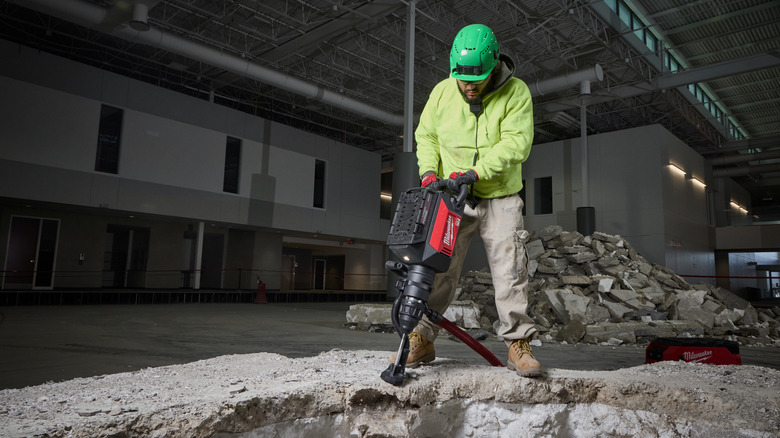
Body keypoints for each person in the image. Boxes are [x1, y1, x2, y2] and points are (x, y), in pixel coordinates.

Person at [393, 23, 541, 377]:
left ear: (494, 66)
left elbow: (516, 143)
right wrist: (429, 172)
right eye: (462, 79)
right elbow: (426, 135)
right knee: (436, 268)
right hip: (452, 198)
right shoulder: (442, 93)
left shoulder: (516, 92)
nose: (469, 86)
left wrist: (476, 172)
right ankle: (422, 338)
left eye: (477, 79)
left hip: (500, 196)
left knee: (510, 270)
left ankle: (518, 344)